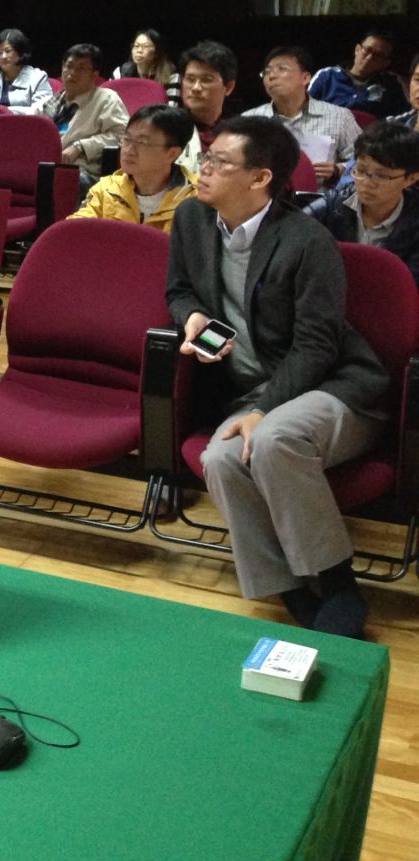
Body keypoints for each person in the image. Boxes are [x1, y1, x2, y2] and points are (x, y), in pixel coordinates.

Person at [168, 115, 389, 638]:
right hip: (253, 390)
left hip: (335, 388)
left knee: (273, 439)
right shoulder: (192, 218)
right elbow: (179, 290)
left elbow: (318, 346)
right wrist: (192, 318)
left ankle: (336, 580)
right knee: (221, 458)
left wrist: (264, 410)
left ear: (260, 177)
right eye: (206, 157)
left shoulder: (306, 240)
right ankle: (287, 585)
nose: (203, 168)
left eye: (219, 161)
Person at [309, 121, 419, 284]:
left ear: (411, 179)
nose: (366, 183)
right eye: (360, 171)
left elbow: (410, 285)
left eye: (381, 176)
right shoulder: (329, 207)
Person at [244, 45, 359, 188]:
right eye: (266, 72)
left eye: (282, 69)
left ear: (305, 78)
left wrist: (338, 170)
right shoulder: (249, 120)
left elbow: (363, 160)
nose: (271, 76)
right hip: (264, 196)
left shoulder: (339, 116)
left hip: (320, 198)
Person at [70, 105, 196, 231]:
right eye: (127, 139)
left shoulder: (196, 200)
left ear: (172, 154)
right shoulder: (106, 190)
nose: (129, 150)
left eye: (142, 143)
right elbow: (74, 232)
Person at [44, 43, 128, 188]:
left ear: (95, 75)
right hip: (47, 165)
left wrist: (81, 146)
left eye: (81, 68)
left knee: (56, 181)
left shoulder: (107, 99)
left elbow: (122, 135)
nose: (72, 73)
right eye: (69, 66)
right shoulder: (52, 101)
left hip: (82, 172)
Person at [309, 30, 404, 120]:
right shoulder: (327, 76)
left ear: (385, 63)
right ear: (357, 49)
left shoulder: (390, 86)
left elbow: (402, 119)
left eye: (378, 55)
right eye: (367, 50)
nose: (369, 58)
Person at [174, 40, 238, 173]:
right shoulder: (167, 128)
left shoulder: (239, 134)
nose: (196, 88)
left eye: (206, 80)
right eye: (190, 79)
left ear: (228, 87)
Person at [113, 28, 179, 100]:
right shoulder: (120, 72)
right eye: (136, 46)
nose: (139, 50)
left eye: (145, 46)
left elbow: (172, 105)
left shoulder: (171, 76)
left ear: (157, 52)